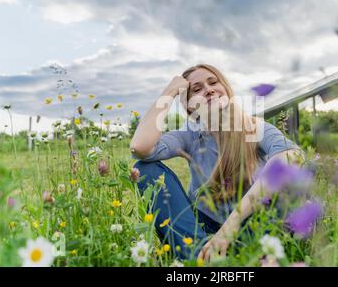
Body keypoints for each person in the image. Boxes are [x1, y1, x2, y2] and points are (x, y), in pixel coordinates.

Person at [130, 64, 305, 262]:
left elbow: (293, 156)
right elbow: (139, 147)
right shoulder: (189, 136)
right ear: (189, 107)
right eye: (197, 89)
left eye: (213, 82)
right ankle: (202, 255)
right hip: (205, 227)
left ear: (226, 90)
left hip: (252, 223)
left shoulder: (253, 127)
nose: (209, 89)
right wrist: (169, 92)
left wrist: (231, 226)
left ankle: (218, 258)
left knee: (285, 183)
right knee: (144, 169)